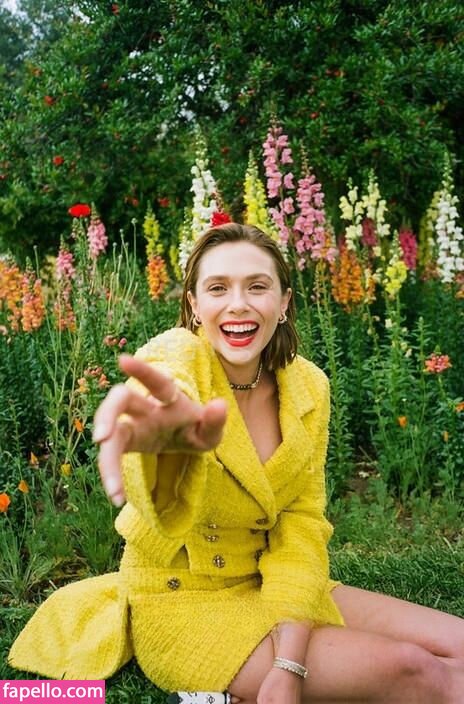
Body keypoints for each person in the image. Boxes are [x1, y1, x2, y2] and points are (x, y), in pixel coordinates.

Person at [9, 223, 464, 703]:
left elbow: (302, 521)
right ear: (193, 304)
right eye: (218, 288)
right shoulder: (177, 357)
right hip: (182, 599)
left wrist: (288, 662)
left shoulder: (309, 387)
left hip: (266, 580)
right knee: (418, 671)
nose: (239, 304)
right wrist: (167, 439)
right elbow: (165, 393)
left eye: (257, 286)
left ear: (284, 302)